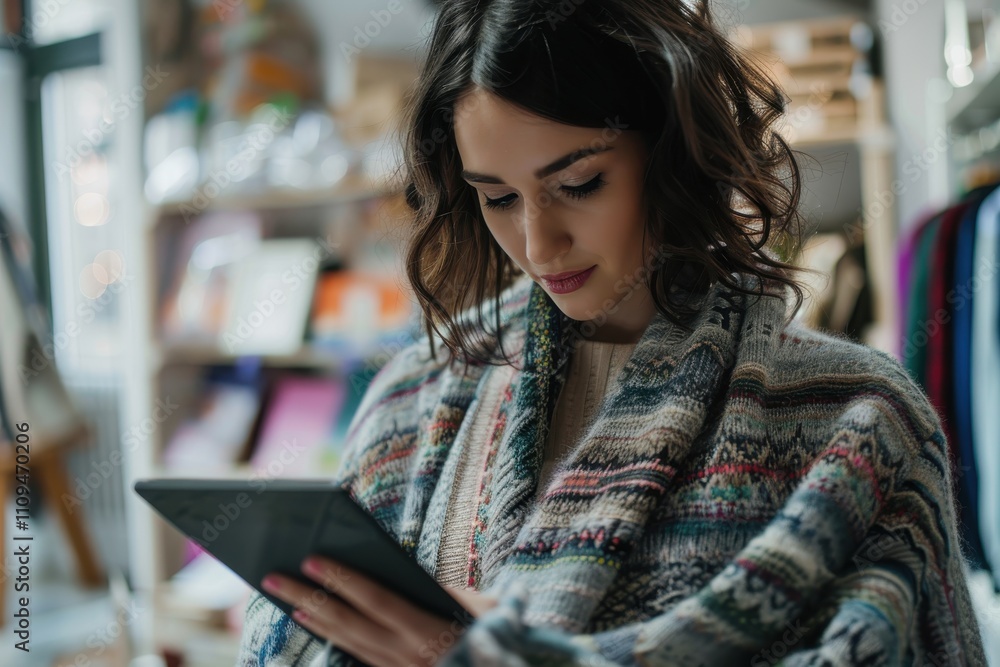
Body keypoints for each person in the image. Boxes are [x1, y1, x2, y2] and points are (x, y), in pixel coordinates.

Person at [236, 0, 988, 665]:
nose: (537, 244)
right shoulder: (413, 394)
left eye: (578, 184)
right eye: (497, 197)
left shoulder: (860, 422)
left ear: (669, 151)